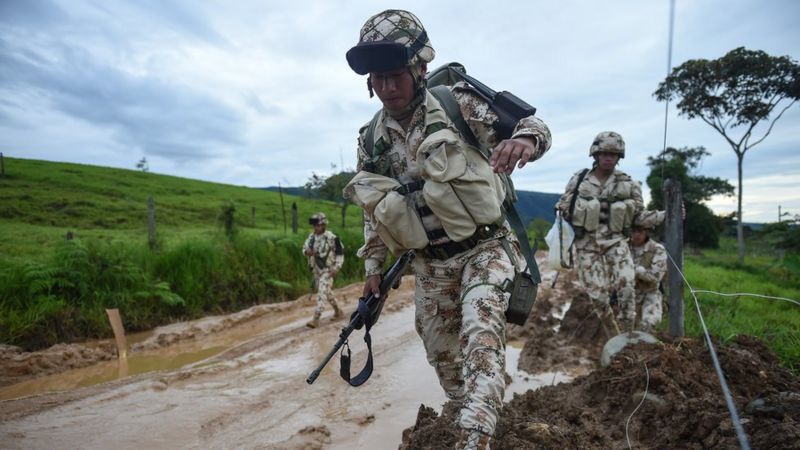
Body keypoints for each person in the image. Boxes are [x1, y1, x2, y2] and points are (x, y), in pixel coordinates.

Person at [342, 9, 552, 449]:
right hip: (431, 266)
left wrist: (524, 142)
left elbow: (535, 125)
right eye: (378, 79)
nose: (387, 88)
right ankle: (472, 414)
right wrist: (373, 268)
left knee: (481, 335)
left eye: (396, 75)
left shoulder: (458, 104)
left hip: (486, 251)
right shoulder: (370, 139)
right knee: (443, 357)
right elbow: (373, 209)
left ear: (419, 68)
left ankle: (474, 439)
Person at [556, 131, 644, 333]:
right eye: (604, 153)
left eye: (613, 154)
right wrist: (566, 211)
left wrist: (672, 214)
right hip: (586, 244)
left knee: (627, 286)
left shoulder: (628, 183)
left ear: (619, 157)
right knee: (598, 296)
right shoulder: (579, 179)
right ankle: (613, 334)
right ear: (595, 154)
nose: (608, 158)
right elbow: (563, 204)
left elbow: (640, 215)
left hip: (616, 242)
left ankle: (628, 334)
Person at [303, 212, 344, 328]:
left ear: (323, 225)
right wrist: (308, 252)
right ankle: (338, 311)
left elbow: (340, 253)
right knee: (327, 293)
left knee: (321, 293)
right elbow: (304, 249)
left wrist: (336, 268)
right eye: (315, 226)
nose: (316, 228)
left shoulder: (331, 237)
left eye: (318, 225)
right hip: (316, 271)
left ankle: (316, 319)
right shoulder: (311, 238)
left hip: (328, 270)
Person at [630, 210, 668, 331]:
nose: (636, 235)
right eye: (634, 231)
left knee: (648, 326)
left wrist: (637, 271)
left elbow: (656, 277)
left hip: (649, 294)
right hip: (629, 295)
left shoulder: (657, 249)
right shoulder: (624, 247)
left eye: (640, 232)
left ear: (646, 232)